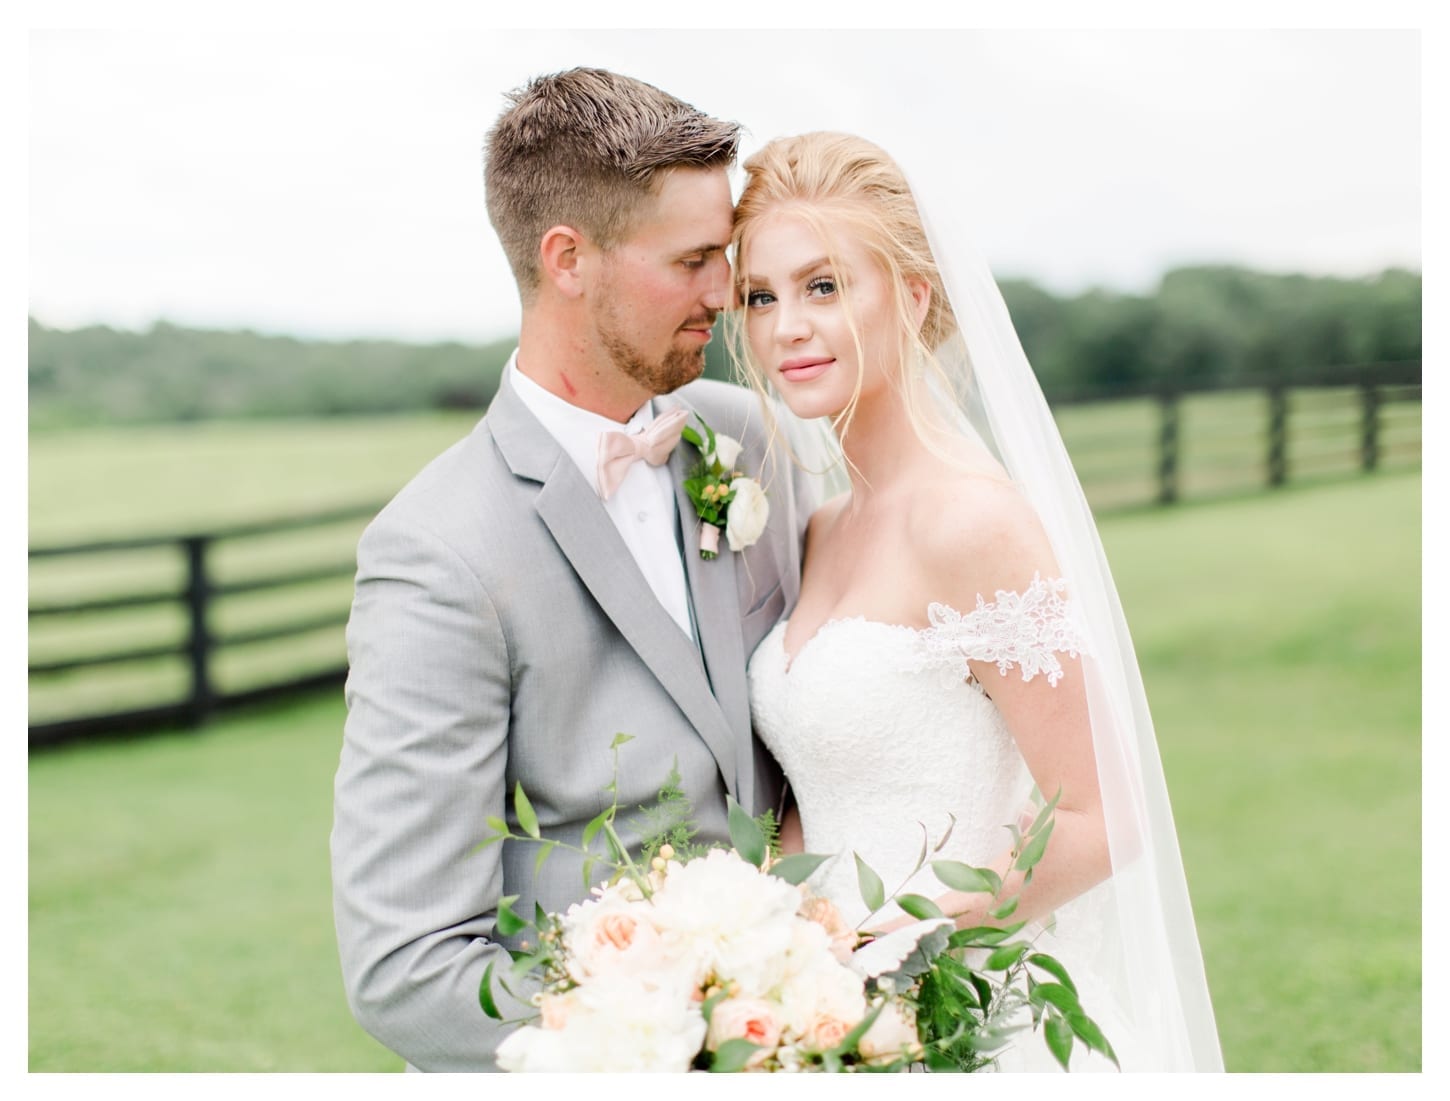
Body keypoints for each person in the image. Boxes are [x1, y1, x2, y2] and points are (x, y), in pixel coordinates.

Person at [330, 69, 811, 1072]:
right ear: (568, 260)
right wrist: (683, 1035)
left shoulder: (743, 440)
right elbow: (407, 968)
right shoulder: (438, 552)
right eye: (691, 262)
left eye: (722, 258)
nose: (725, 296)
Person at [733, 132, 1223, 1071]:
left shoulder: (971, 522)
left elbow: (1103, 814)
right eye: (762, 295)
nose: (786, 324)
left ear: (913, 296)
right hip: (821, 1016)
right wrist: (771, 934)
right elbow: (819, 778)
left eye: (825, 285)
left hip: (970, 1022)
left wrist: (895, 956)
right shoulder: (823, 525)